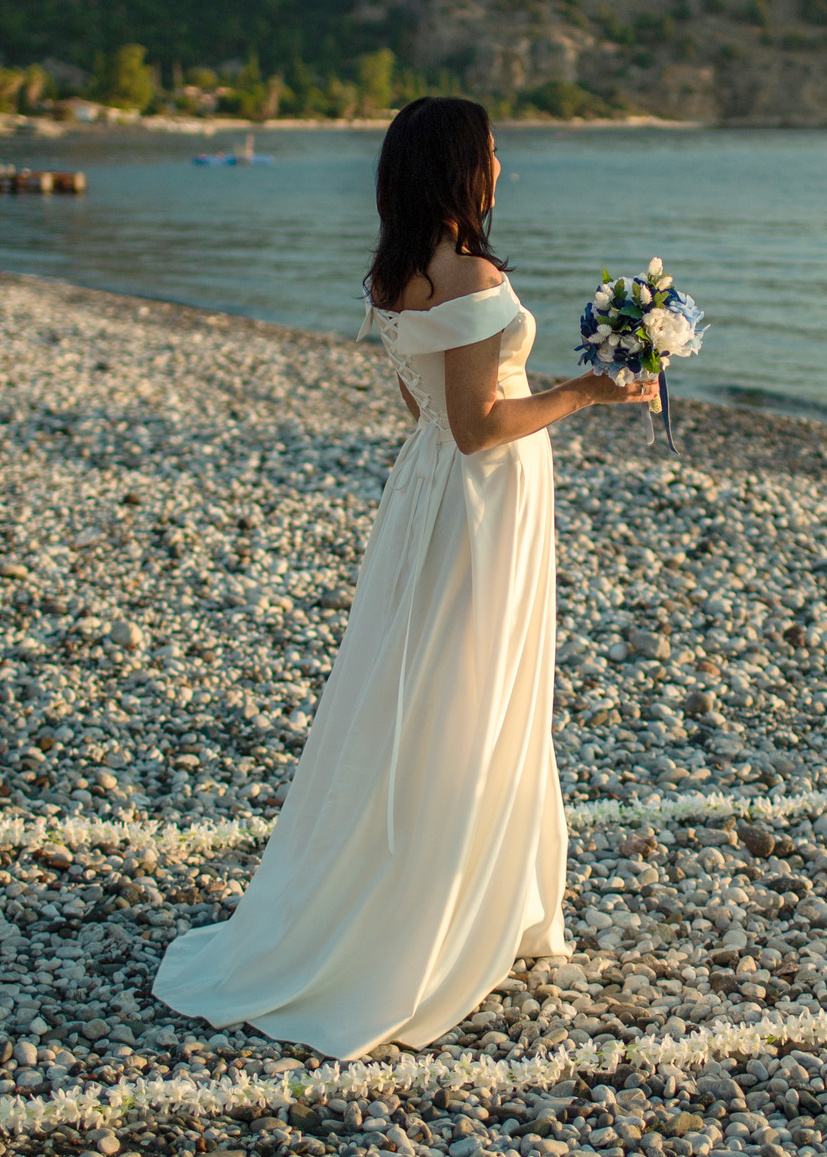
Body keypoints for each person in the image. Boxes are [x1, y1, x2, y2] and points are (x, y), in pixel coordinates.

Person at [152, 97, 655, 1057]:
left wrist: (500, 389)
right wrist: (588, 390)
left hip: (429, 488)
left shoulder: (398, 270)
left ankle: (458, 887)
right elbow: (479, 427)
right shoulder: (466, 270)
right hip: (480, 497)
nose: (503, 164)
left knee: (423, 676)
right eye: (494, 151)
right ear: (464, 165)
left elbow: (419, 401)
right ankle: (439, 911)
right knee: (470, 684)